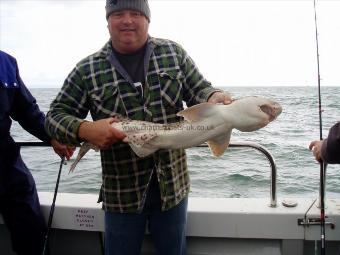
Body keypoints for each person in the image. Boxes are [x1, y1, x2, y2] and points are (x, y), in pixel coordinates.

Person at [45, 0, 232, 254]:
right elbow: (55, 115)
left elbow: (199, 88)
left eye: (135, 13)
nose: (127, 20)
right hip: (122, 193)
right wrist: (85, 130)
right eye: (119, 13)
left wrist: (214, 97)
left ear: (147, 19)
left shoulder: (173, 54)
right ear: (108, 20)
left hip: (173, 188)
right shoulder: (87, 69)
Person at [0, 50, 75, 255]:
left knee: (31, 231)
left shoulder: (6, 62)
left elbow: (25, 110)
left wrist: (51, 136)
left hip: (7, 164)